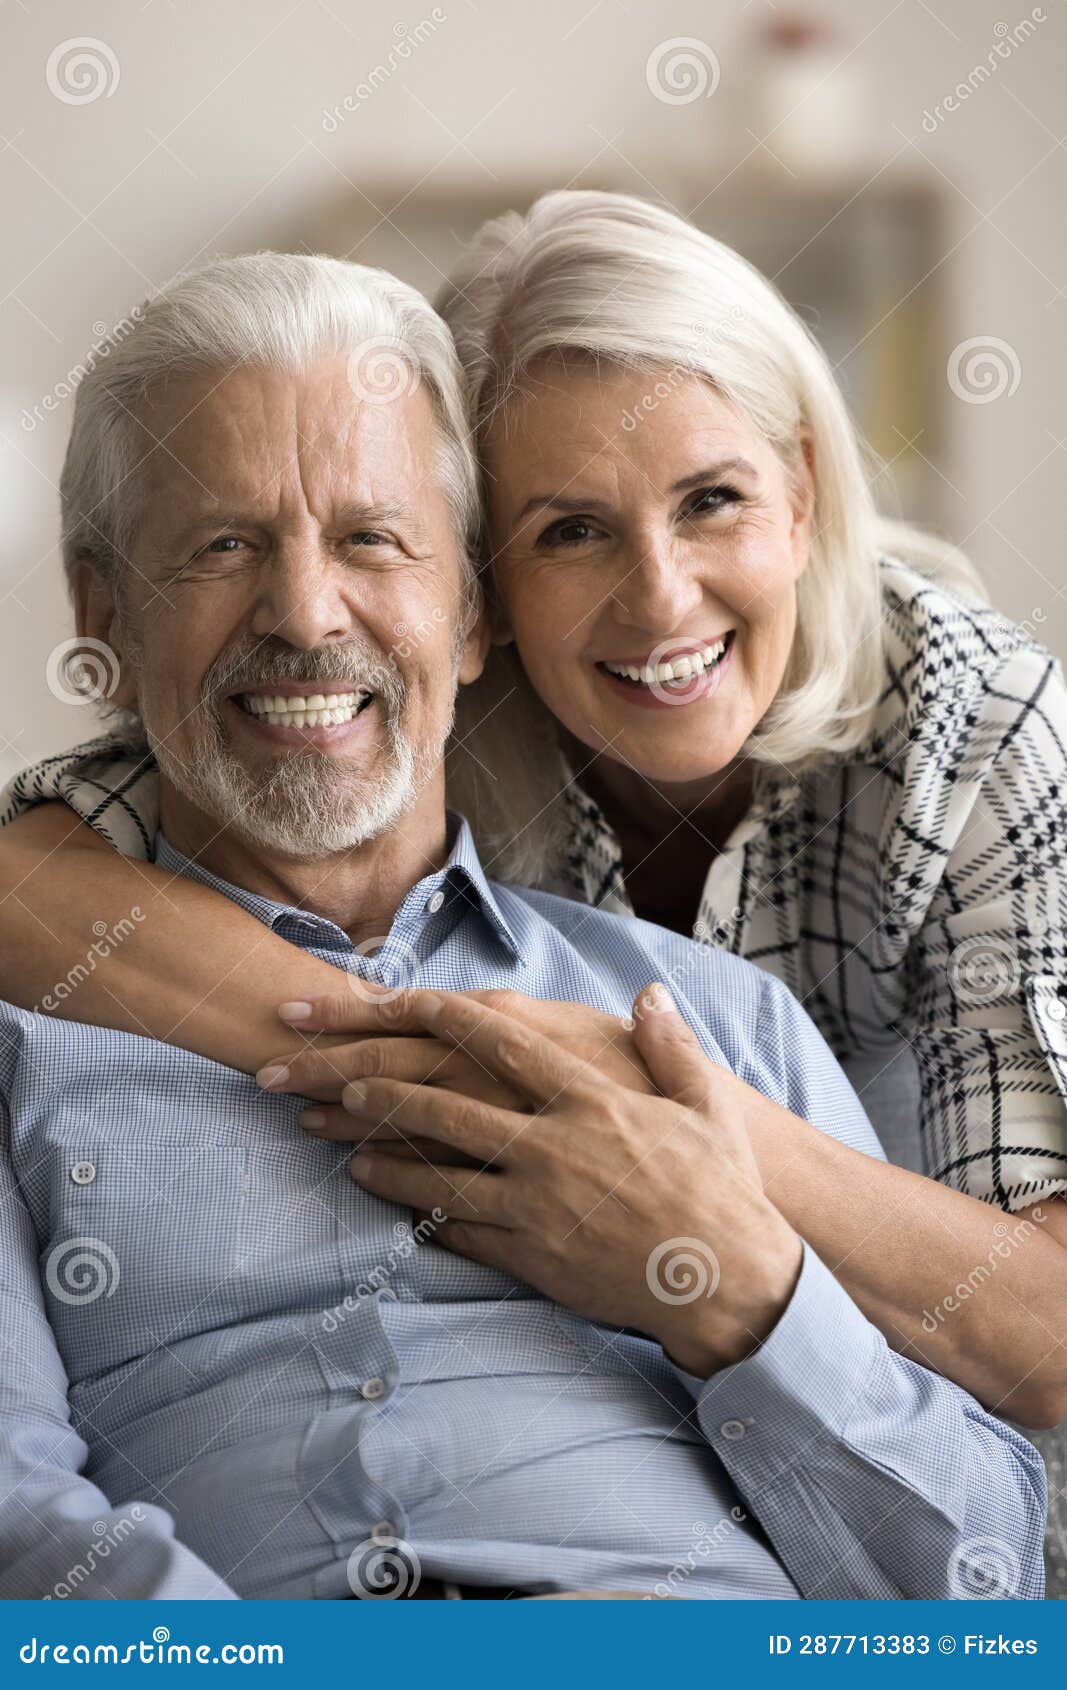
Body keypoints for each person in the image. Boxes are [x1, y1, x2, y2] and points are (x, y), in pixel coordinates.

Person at [0, 253, 1046, 1602]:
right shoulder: (33, 1023)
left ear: (471, 610)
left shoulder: (717, 1022)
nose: (306, 613)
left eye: (373, 538)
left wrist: (740, 1303)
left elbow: (981, 1582)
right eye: (221, 545)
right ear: (101, 612)